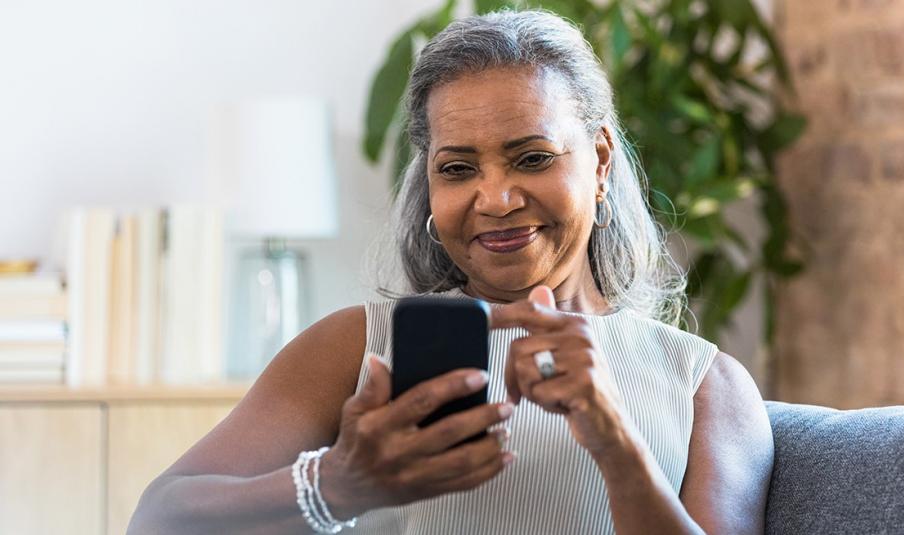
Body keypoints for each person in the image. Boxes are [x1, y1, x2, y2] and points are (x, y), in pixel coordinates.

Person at [129, 9, 772, 534]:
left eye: (532, 157)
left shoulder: (705, 385)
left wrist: (613, 438)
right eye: (458, 169)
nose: (494, 199)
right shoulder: (359, 347)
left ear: (600, 160)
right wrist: (339, 484)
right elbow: (157, 519)